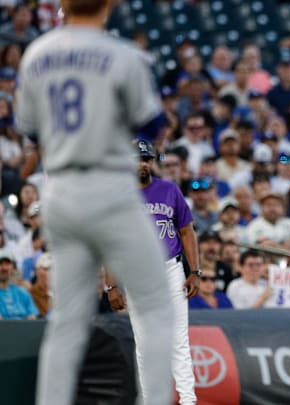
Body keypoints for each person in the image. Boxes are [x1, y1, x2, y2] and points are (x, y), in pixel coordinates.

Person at [14, 1, 175, 404]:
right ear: (109, 4)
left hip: (61, 190)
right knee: (156, 306)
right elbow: (153, 125)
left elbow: (31, 129)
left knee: (67, 321)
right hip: (109, 186)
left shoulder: (37, 53)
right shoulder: (123, 54)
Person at [105, 139, 200, 405]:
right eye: (137, 159)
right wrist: (111, 286)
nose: (141, 163)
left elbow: (186, 232)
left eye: (146, 159)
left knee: (178, 339)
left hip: (171, 269)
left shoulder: (169, 190)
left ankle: (188, 400)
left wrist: (195, 271)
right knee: (145, 344)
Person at [0, 249, 38, 319]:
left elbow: (33, 316)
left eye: (7, 264)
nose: (4, 268)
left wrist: (31, 317)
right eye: (1, 264)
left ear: (13, 268)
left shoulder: (23, 292)